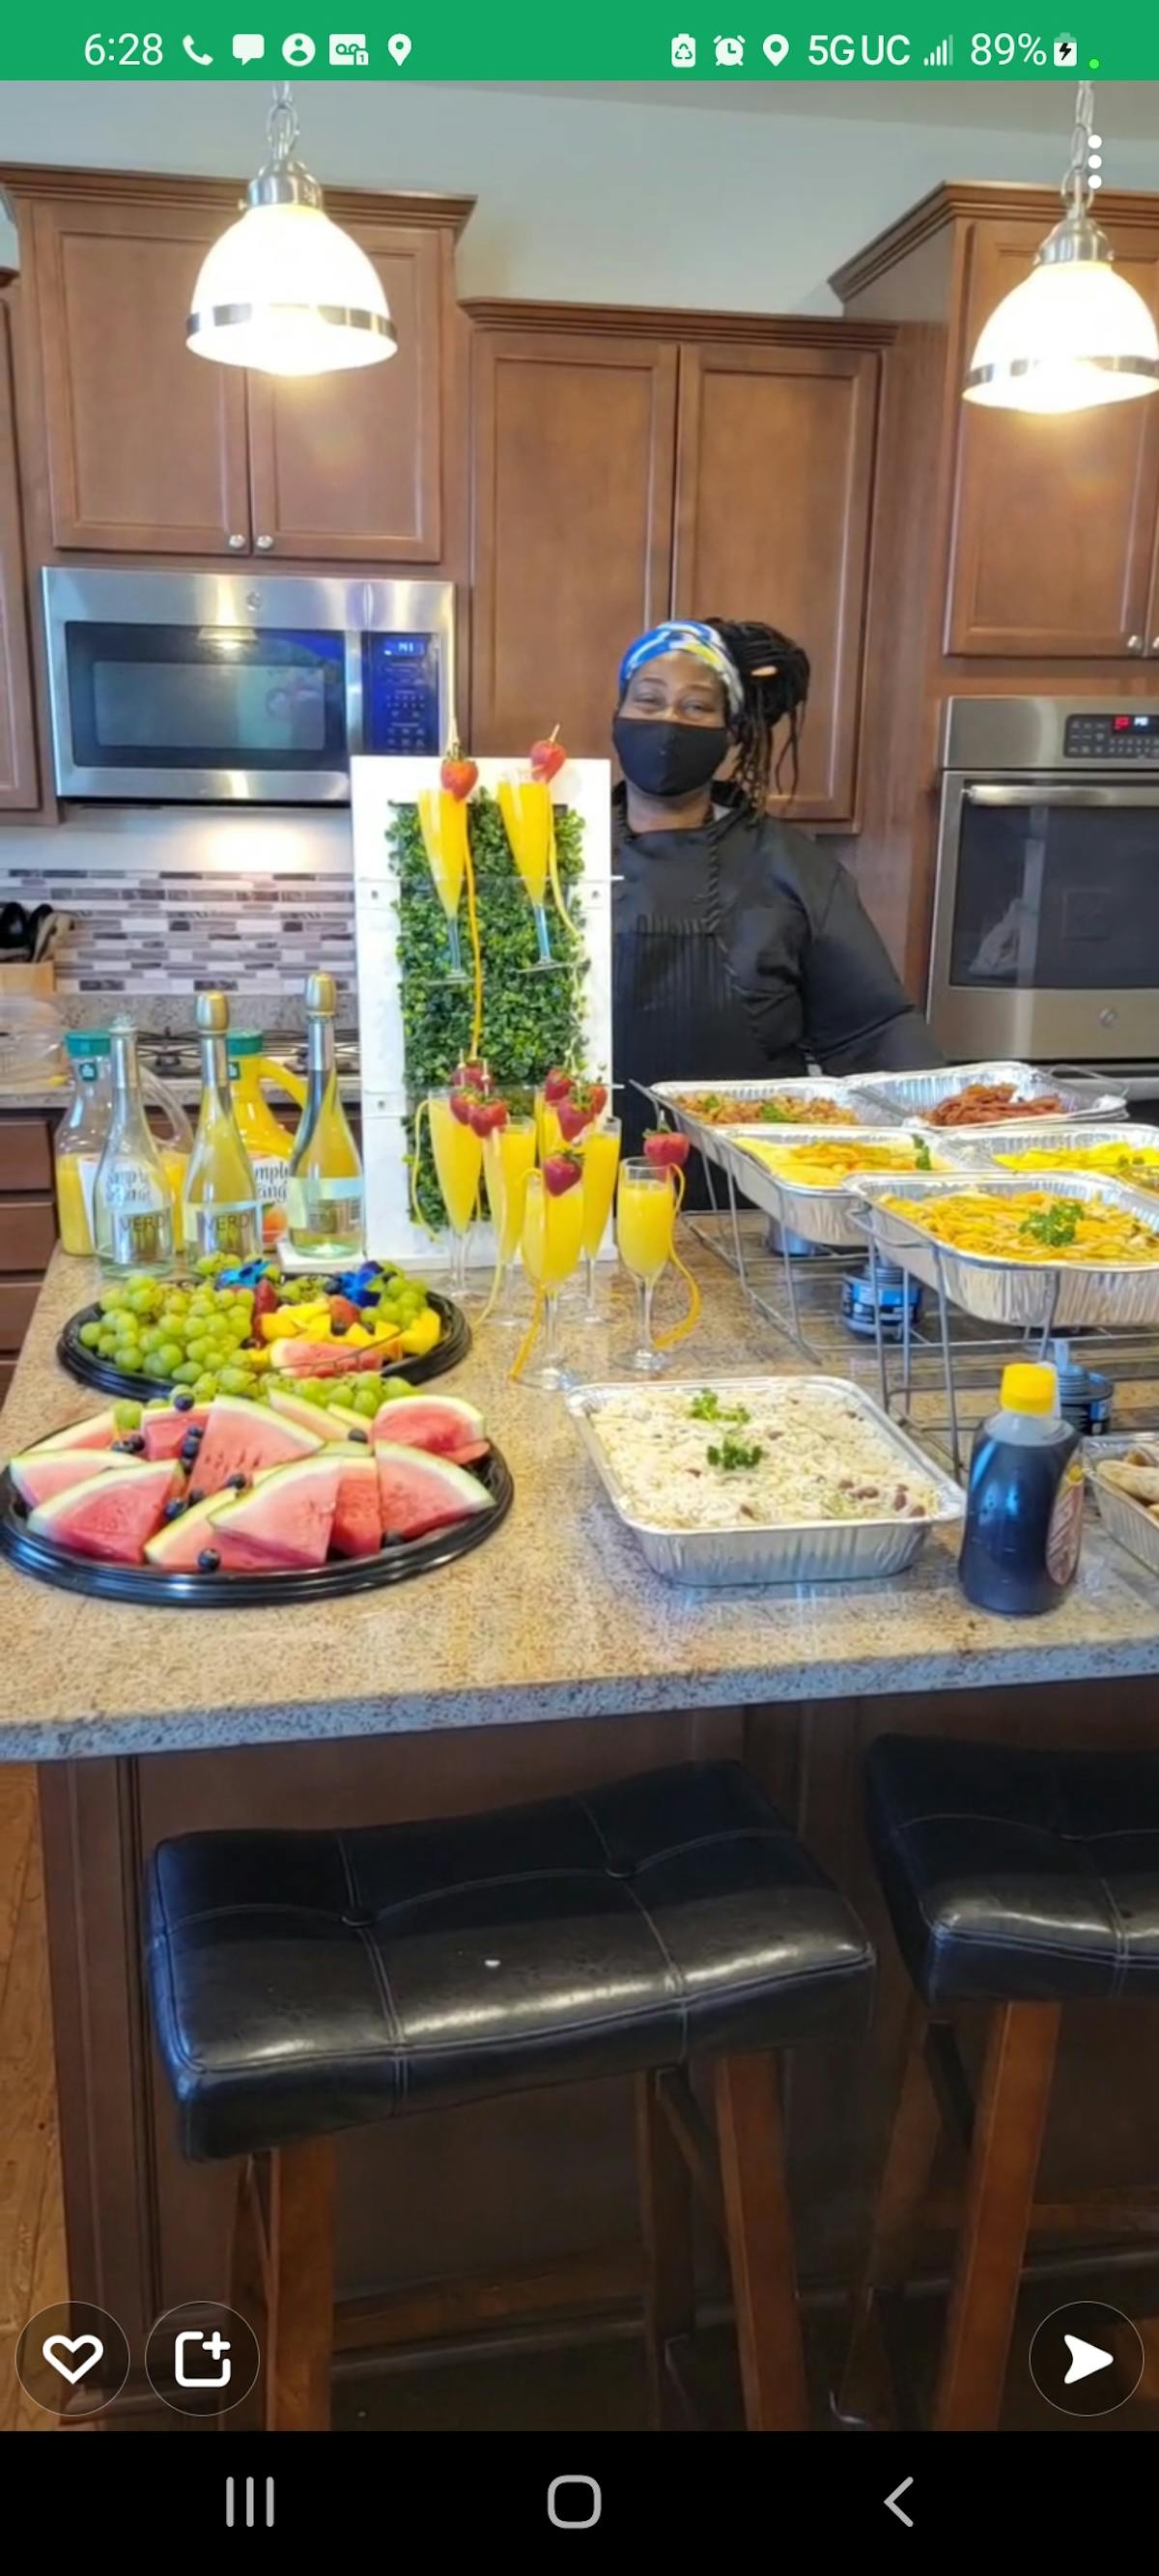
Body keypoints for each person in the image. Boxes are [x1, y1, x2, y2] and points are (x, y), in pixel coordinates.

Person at [611, 617, 940, 1159]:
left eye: (696, 707)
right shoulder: (555, 857)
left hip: (756, 1204)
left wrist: (942, 1143)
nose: (668, 721)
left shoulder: (794, 867)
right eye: (648, 701)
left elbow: (871, 1030)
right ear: (618, 716)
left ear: (732, 732)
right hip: (573, 1195)